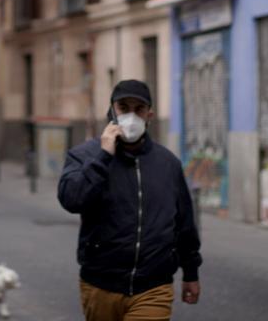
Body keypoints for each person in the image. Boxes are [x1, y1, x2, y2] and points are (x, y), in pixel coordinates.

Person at [57, 79, 201, 320]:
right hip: (100, 284)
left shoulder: (168, 164)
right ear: (112, 110)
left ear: (149, 115)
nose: (131, 116)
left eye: (139, 109)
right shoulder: (85, 156)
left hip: (153, 286)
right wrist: (103, 157)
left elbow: (184, 223)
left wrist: (191, 272)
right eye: (124, 108)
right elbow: (72, 200)